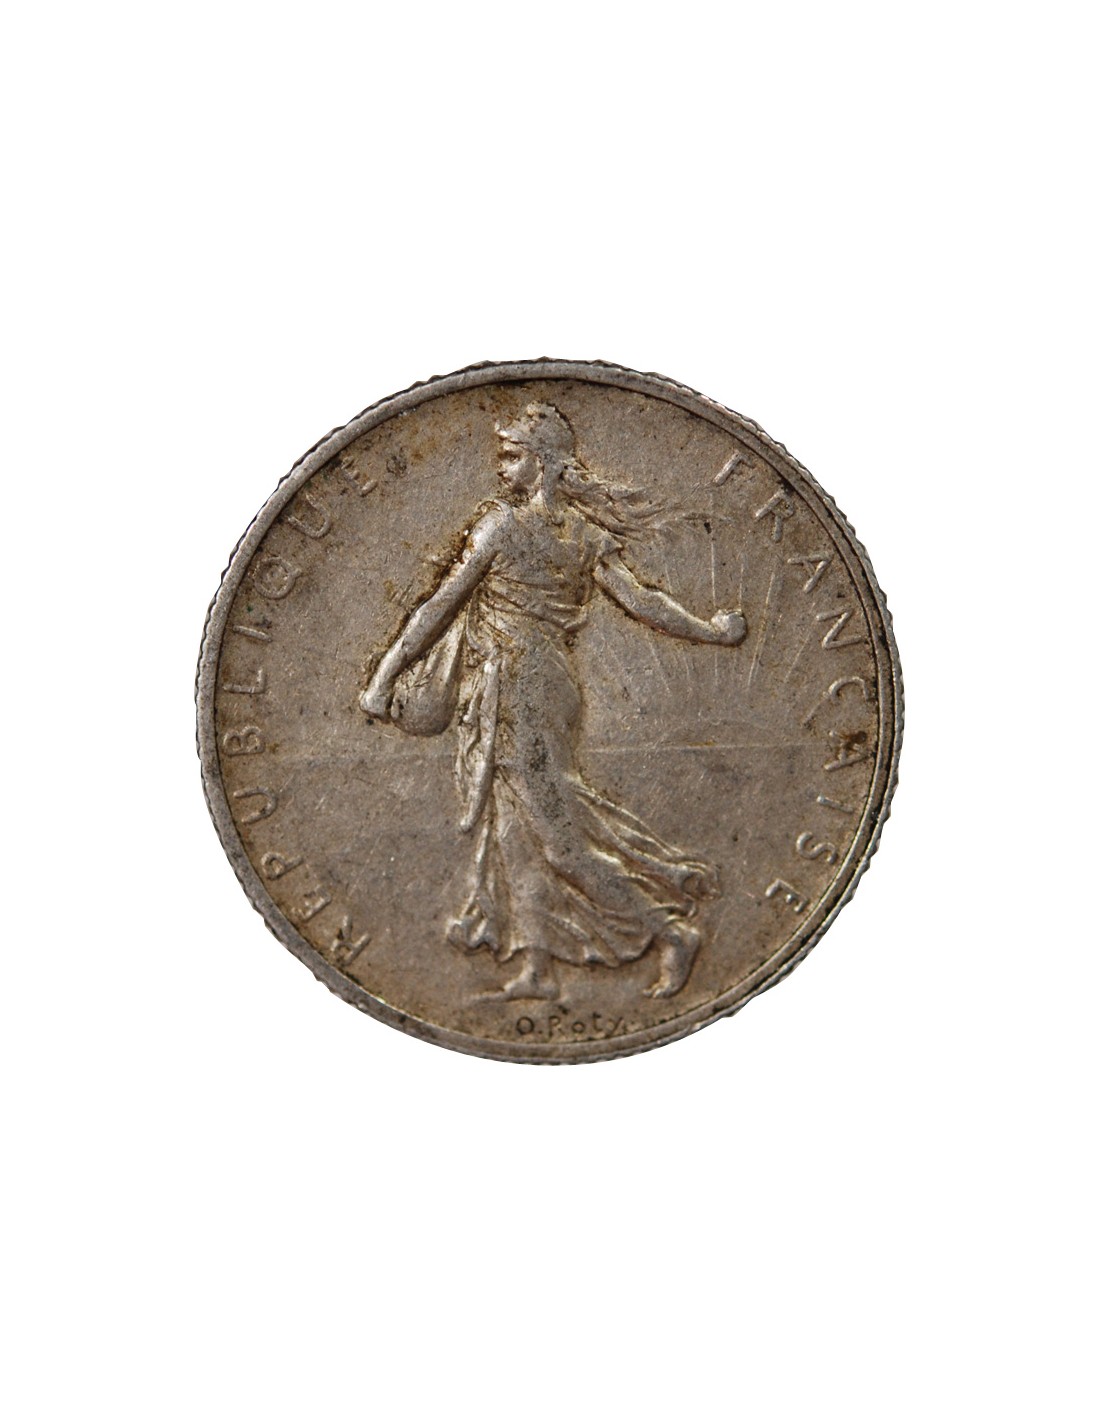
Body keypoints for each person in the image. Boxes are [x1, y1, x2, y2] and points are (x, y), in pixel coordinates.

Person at [360, 402, 746, 1001]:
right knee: (514, 832)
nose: (501, 466)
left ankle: (669, 929)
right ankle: (537, 967)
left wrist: (385, 676)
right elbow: (644, 603)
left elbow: (439, 606)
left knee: (559, 839)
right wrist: (711, 631)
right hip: (537, 684)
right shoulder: (583, 535)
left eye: (512, 455)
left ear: (543, 464)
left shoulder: (503, 529)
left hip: (518, 687)